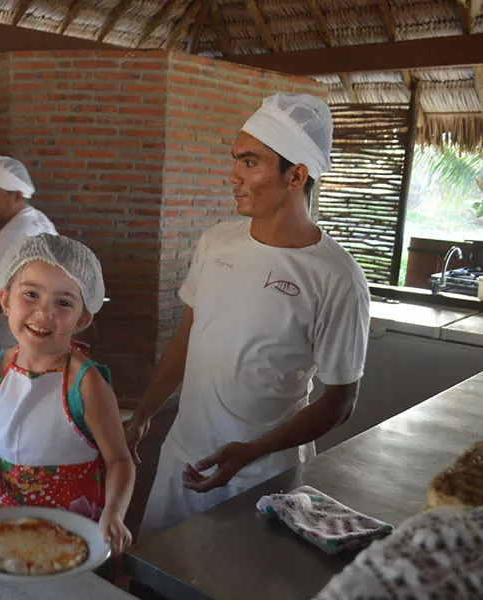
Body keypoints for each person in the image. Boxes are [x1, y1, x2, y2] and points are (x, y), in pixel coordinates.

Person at [126, 93, 371, 537]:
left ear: (296, 175)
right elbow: (187, 337)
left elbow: (340, 400)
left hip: (262, 474)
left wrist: (253, 450)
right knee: (161, 572)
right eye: (236, 160)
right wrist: (142, 415)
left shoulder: (336, 277)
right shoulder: (217, 242)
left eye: (250, 163)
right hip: (183, 453)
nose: (233, 176)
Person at [0, 233, 135, 555]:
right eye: (30, 294)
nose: (43, 312)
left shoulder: (85, 383)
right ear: (5, 300)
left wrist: (114, 514)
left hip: (77, 535)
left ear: (82, 319)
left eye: (63, 303)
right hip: (9, 529)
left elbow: (119, 460)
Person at [0, 155, 57, 350]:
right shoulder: (40, 220)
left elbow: (4, 296)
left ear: (17, 196)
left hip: (20, 338)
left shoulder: (12, 233)